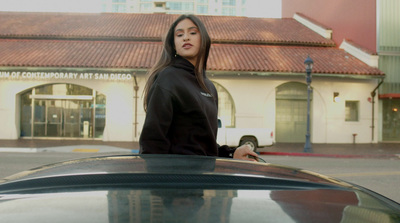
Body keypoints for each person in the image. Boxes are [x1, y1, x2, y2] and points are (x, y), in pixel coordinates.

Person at [139, 14, 258, 161]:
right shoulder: (168, 78)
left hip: (204, 177)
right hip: (178, 178)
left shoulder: (209, 87)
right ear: (174, 44)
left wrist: (232, 154)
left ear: (203, 40)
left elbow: (204, 148)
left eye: (193, 32)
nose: (186, 38)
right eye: (179, 34)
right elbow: (152, 143)